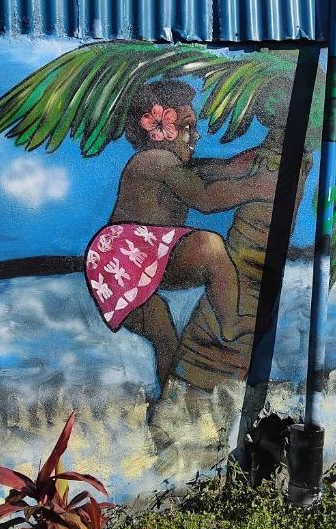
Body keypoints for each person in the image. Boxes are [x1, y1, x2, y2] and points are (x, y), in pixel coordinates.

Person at [83, 80, 277, 389]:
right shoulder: (155, 161)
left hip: (125, 268)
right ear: (159, 131)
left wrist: (263, 153)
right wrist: (256, 189)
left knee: (167, 344)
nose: (195, 136)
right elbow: (206, 199)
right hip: (126, 260)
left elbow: (223, 167)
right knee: (209, 246)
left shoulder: (172, 164)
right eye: (187, 128)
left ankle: (167, 400)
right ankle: (231, 323)